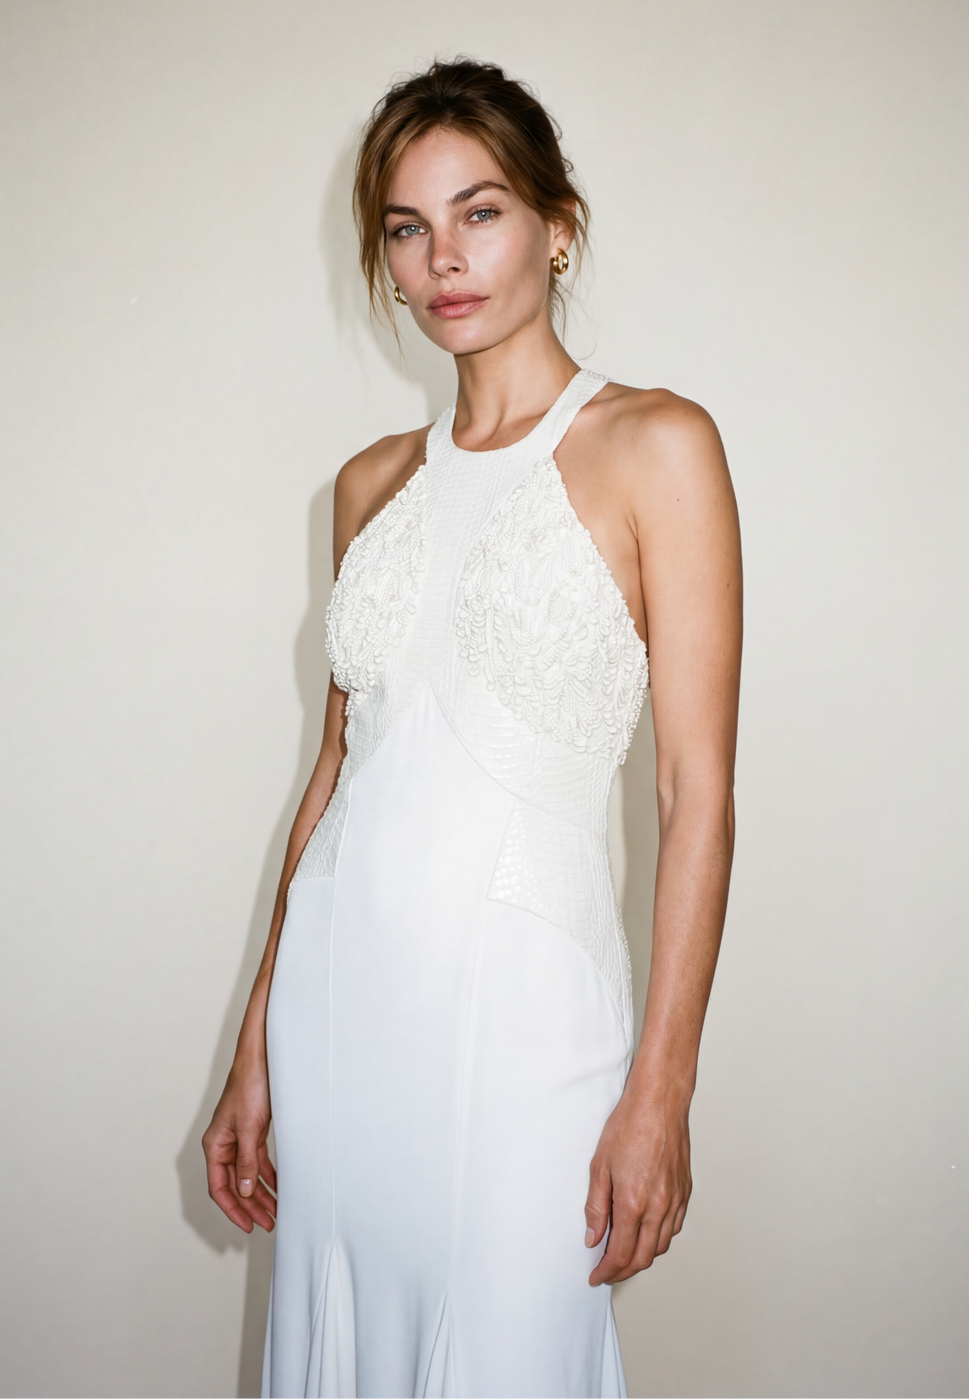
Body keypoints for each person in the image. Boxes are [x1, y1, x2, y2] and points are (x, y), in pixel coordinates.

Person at [203, 57, 742, 1399]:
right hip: (341, 1007)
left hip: (523, 1019)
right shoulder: (368, 483)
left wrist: (662, 1089)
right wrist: (255, 1043)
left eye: (480, 211)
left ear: (558, 223)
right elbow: (337, 770)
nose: (442, 257)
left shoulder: (657, 446)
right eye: (406, 226)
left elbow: (698, 790)